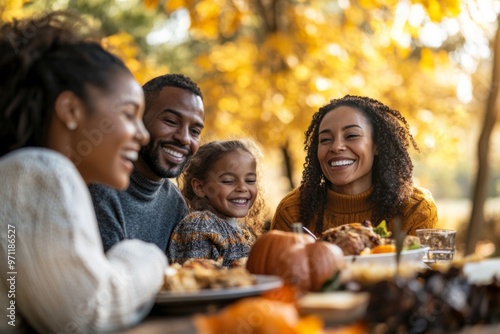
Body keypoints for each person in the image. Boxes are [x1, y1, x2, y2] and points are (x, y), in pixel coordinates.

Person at [0, 11, 168, 333]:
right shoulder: (38, 171)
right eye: (128, 114)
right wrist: (146, 256)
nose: (142, 135)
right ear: (71, 110)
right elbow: (87, 315)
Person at [271, 95, 438, 237]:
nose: (336, 147)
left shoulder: (414, 209)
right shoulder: (293, 211)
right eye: (326, 139)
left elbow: (422, 273)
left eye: (351, 135)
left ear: (377, 145)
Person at [88, 73, 205, 253]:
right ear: (138, 121)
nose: (184, 138)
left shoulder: (175, 203)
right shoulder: (101, 191)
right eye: (171, 121)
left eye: (195, 131)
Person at [167, 139, 267, 267]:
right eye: (228, 181)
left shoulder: (241, 231)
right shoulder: (200, 225)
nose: (243, 188)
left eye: (250, 180)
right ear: (200, 187)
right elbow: (199, 279)